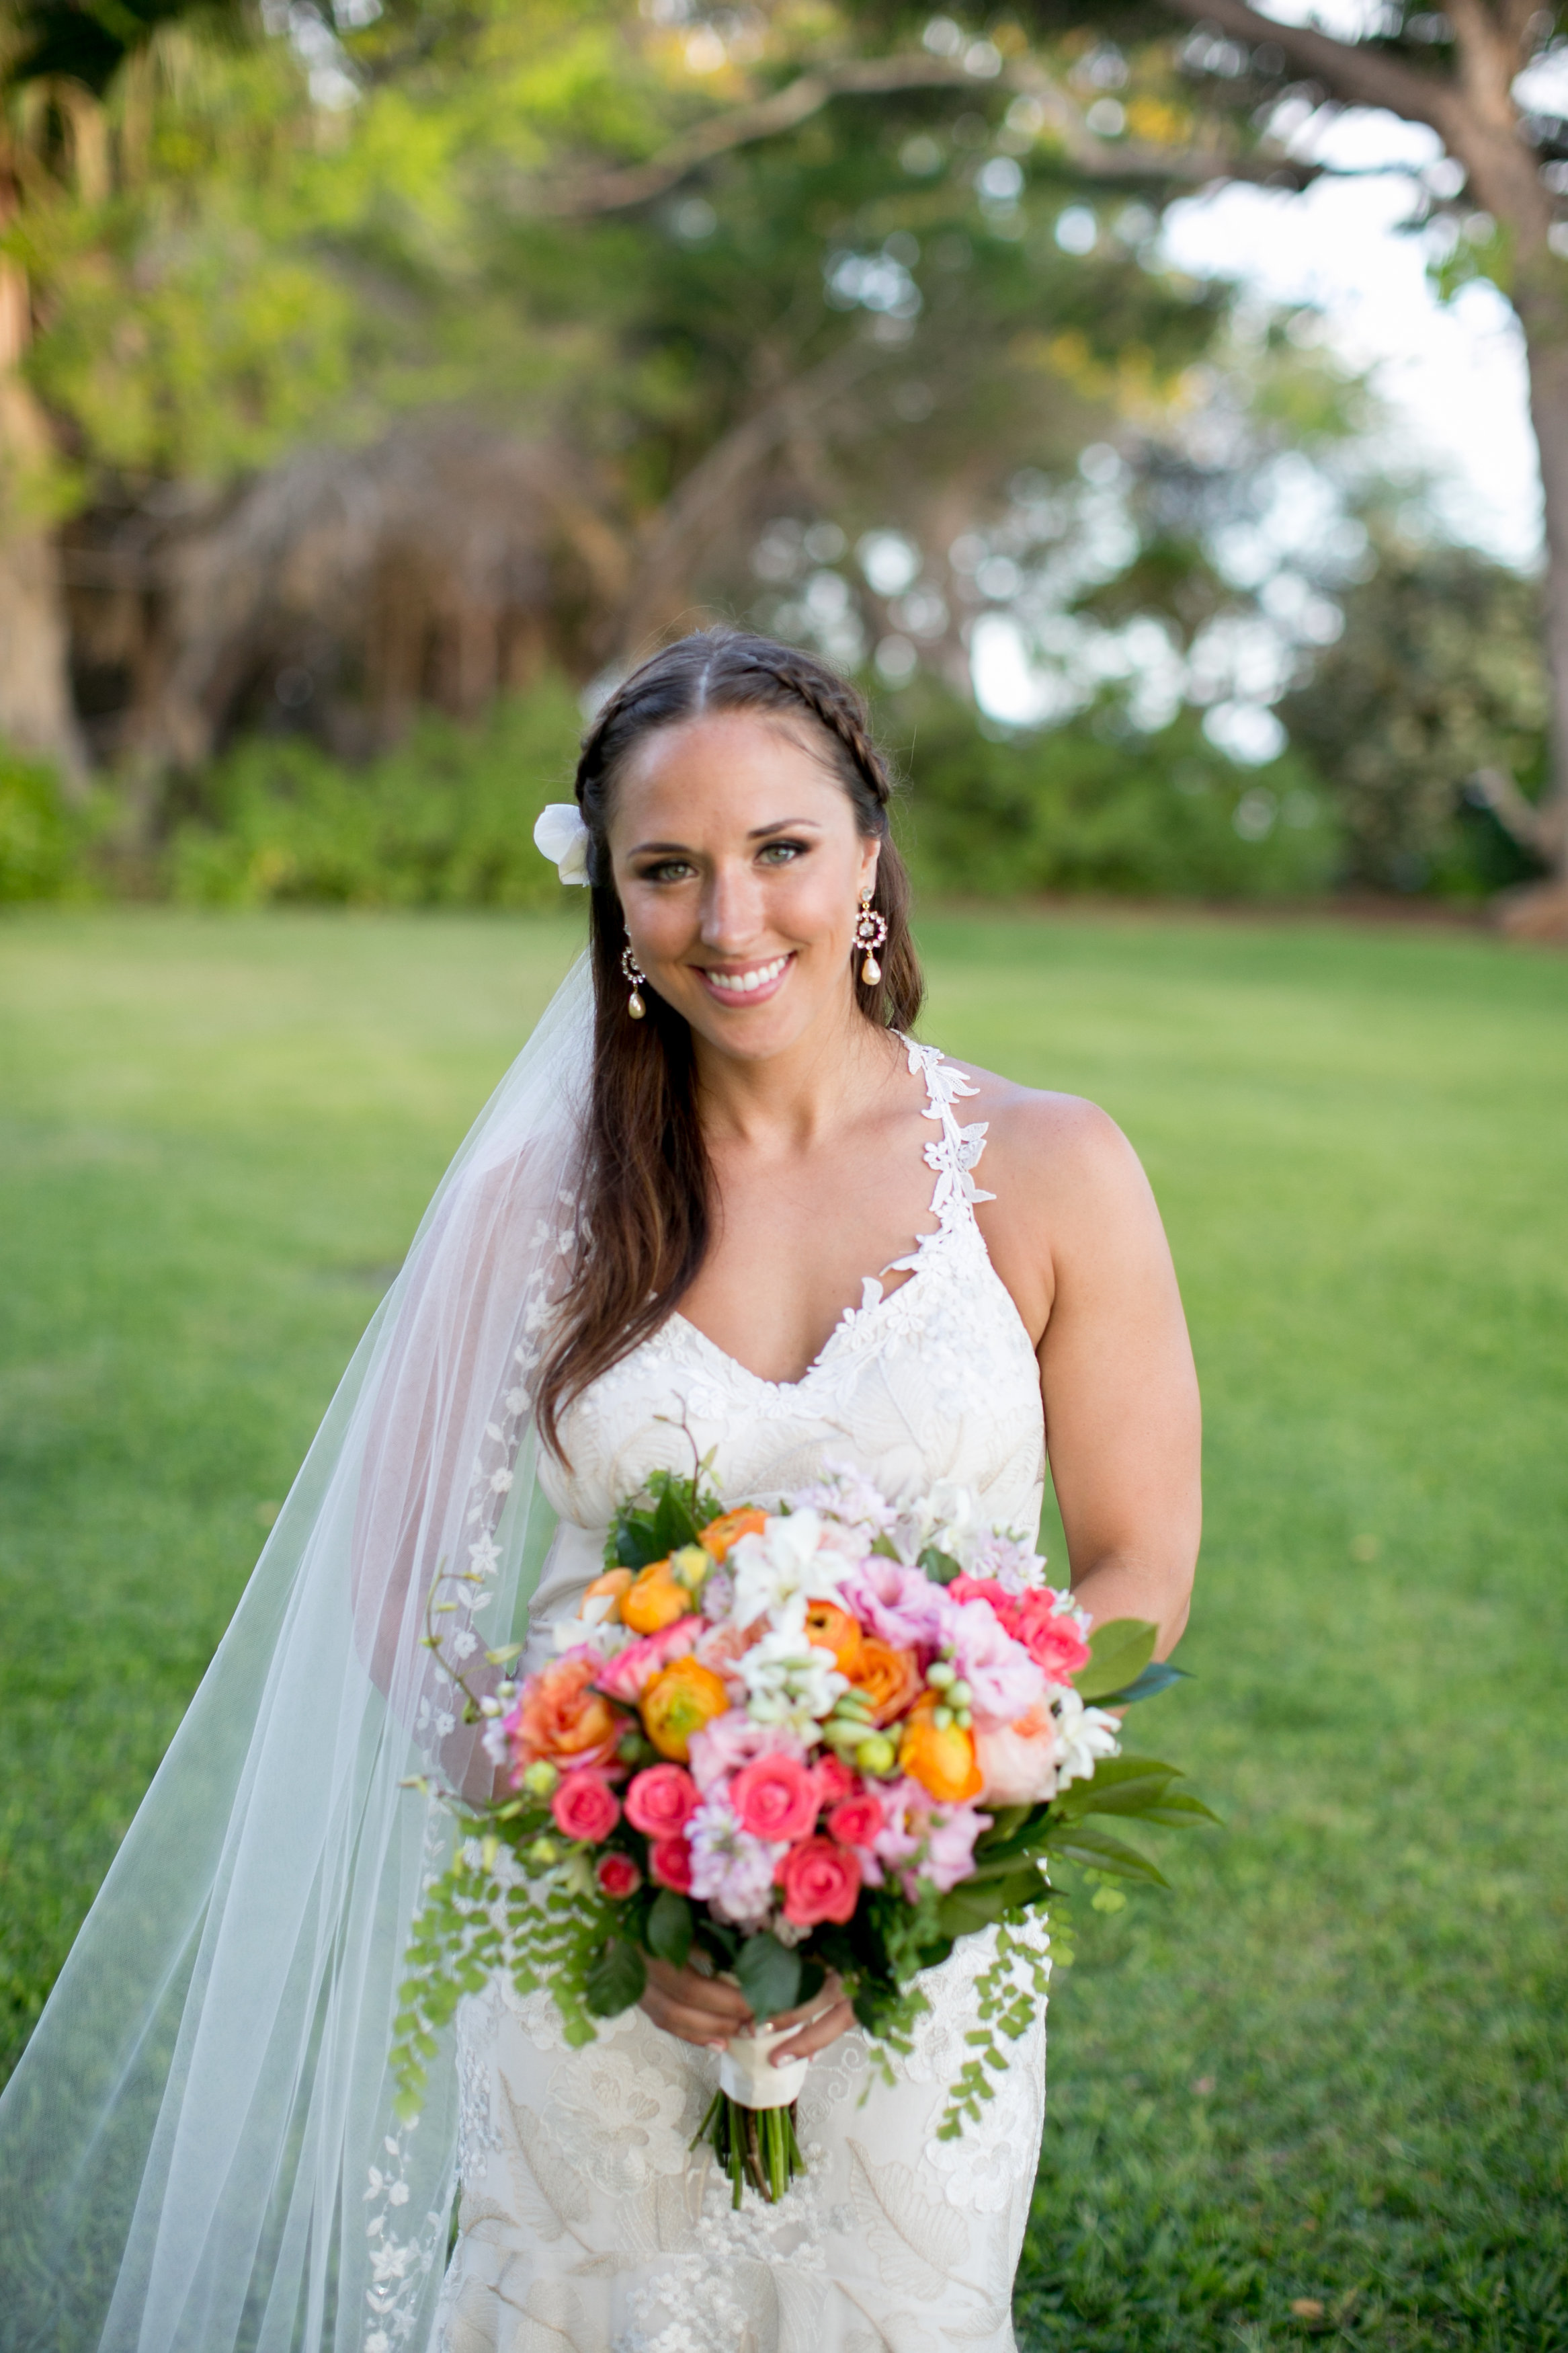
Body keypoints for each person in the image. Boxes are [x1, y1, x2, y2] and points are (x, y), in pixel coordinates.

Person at [0, 631, 1198, 2353]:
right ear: (612, 902)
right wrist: (599, 1843)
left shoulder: (1051, 1169)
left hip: (926, 1944)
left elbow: (1144, 1556)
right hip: (587, 1946)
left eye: (781, 849)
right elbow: (393, 1585)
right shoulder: (535, 1214)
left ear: (867, 853)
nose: (731, 919)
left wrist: (935, 1832)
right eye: (668, 868)